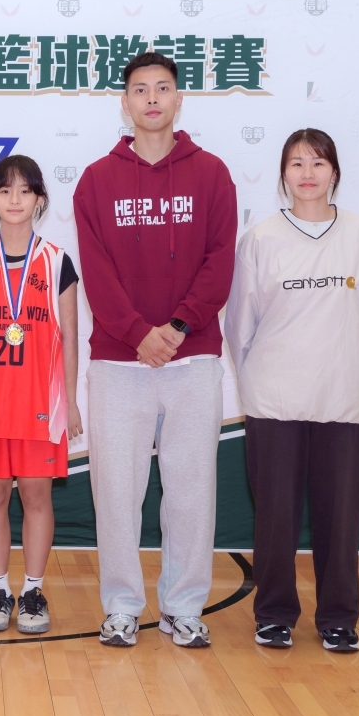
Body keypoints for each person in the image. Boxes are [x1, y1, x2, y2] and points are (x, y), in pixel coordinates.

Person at [74, 51, 237, 649]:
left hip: (192, 358)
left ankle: (184, 607)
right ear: (125, 103)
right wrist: (139, 333)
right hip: (119, 362)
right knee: (117, 492)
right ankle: (121, 607)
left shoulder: (212, 174)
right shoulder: (97, 180)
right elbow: (97, 273)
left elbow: (220, 261)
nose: (151, 99)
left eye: (162, 88)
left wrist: (176, 326)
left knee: (191, 490)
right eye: (140, 89)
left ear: (178, 99)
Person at [225, 128, 359, 653]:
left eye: (318, 163)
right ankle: (274, 614)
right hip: (276, 399)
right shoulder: (261, 239)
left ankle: (338, 618)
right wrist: (258, 387)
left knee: (340, 518)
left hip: (346, 399)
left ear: (334, 172)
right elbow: (240, 326)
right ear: (283, 174)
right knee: (275, 516)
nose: (307, 173)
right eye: (296, 163)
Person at [0, 155, 82, 634]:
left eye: (25, 191)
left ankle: (32, 590)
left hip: (38, 402)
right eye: (5, 190)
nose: (14, 200)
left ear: (39, 199)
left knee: (35, 495)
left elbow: (69, 337)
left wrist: (70, 401)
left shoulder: (57, 261)